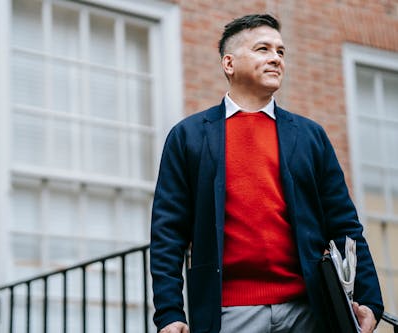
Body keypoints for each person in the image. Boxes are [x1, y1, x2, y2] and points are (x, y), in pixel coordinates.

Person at [150, 13, 383, 333]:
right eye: (263, 49)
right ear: (229, 63)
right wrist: (169, 312)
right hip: (229, 314)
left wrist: (370, 298)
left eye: (281, 51)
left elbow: (344, 223)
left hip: (310, 310)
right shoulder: (189, 136)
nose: (276, 58)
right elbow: (168, 234)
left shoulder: (310, 135)